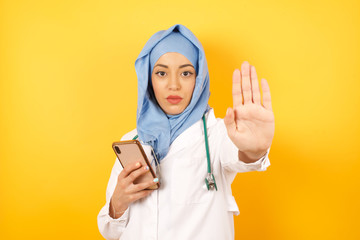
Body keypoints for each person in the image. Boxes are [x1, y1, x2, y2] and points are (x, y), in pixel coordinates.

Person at [97, 24, 275, 240]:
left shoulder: (219, 134)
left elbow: (243, 156)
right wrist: (118, 203)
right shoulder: (132, 141)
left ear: (199, 80)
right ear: (148, 80)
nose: (174, 85)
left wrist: (255, 150)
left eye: (186, 73)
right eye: (161, 73)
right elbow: (110, 232)